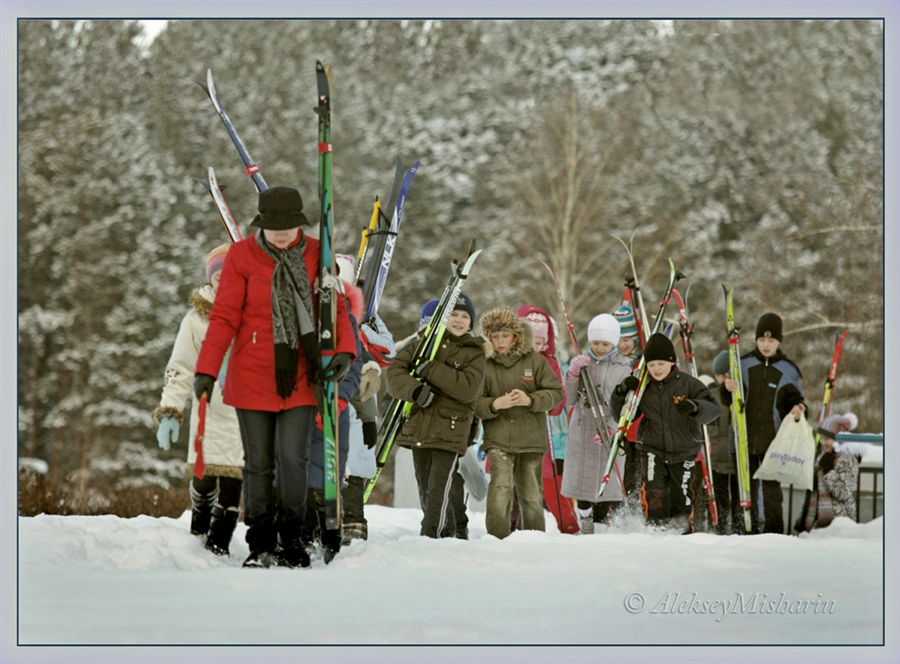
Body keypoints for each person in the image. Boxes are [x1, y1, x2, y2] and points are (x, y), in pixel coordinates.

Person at [194, 186, 357, 568]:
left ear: (300, 224)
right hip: (251, 374)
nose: (282, 235)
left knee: (293, 459)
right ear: (261, 225)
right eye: (274, 228)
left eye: (288, 228)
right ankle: (261, 542)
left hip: (302, 373)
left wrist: (345, 351)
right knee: (258, 463)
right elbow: (225, 317)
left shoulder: (318, 254)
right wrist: (206, 369)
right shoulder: (241, 256)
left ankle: (292, 540)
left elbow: (335, 306)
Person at [153, 243, 244, 556]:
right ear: (210, 279)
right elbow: (180, 367)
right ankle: (199, 522)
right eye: (219, 276)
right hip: (209, 411)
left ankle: (219, 544)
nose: (225, 281)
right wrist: (170, 411)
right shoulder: (196, 320)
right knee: (205, 479)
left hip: (244, 413)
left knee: (233, 484)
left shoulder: (255, 314)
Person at [384, 294, 486, 538]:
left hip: (451, 429)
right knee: (425, 486)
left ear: (471, 323)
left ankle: (431, 535)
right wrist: (415, 391)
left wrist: (432, 369)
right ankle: (446, 533)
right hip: (419, 425)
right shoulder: (423, 343)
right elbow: (395, 373)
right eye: (453, 315)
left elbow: (468, 389)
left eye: (465, 316)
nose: (459, 320)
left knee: (440, 488)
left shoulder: (475, 353)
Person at [610, 333, 719, 532]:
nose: (656, 369)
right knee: (654, 493)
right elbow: (622, 415)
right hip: (652, 449)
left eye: (661, 363)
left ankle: (681, 533)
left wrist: (695, 406)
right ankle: (655, 530)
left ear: (671, 362)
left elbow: (713, 409)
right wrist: (622, 391)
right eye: (651, 365)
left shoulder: (688, 383)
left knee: (681, 496)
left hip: (684, 450)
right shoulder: (643, 385)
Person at [475, 307, 564, 539]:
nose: (499, 341)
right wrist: (495, 404)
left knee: (532, 494)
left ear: (516, 335)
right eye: (494, 336)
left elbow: (556, 394)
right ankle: (496, 538)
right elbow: (474, 403)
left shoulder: (536, 361)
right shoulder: (484, 364)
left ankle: (535, 539)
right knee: (500, 488)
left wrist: (530, 400)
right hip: (498, 439)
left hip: (531, 440)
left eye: (504, 335)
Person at [722, 313, 805, 535]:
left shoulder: (789, 370)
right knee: (742, 490)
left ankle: (773, 534)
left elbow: (797, 401)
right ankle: (742, 531)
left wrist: (798, 410)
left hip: (773, 443)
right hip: (743, 439)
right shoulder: (742, 364)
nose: (766, 345)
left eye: (771, 340)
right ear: (756, 340)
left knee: (771, 493)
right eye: (762, 340)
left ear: (779, 341)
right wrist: (727, 388)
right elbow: (726, 399)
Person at [336, 254, 396, 545]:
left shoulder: (367, 315)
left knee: (357, 461)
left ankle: (354, 521)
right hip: (330, 395)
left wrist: (362, 328)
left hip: (361, 400)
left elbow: (387, 350)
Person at [560, 313, 633, 534]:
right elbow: (569, 399)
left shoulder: (623, 368)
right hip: (582, 430)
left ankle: (600, 529)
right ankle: (585, 519)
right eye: (596, 343)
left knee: (605, 482)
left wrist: (611, 428)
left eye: (605, 344)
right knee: (581, 483)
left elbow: (624, 405)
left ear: (614, 343)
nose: (600, 348)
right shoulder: (582, 363)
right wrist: (572, 374)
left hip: (608, 430)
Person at [517, 305, 579, 535]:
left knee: (557, 487)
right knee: (539, 487)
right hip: (535, 438)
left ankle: (570, 525)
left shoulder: (558, 366)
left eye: (541, 341)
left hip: (559, 441)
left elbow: (563, 398)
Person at [795, 412, 865, 532]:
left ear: (838, 439)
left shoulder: (847, 457)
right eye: (822, 438)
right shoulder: (823, 454)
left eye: (826, 439)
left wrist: (828, 471)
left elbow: (843, 491)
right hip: (816, 516)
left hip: (838, 519)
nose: (822, 442)